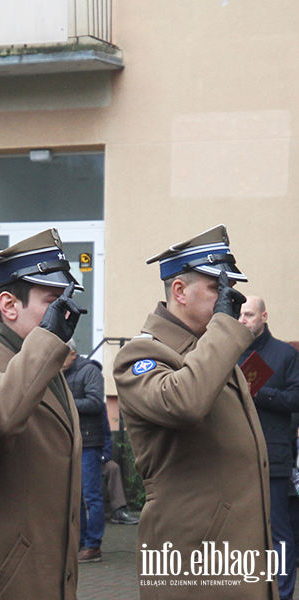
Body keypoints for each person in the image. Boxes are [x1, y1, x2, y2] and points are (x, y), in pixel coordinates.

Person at [113, 224, 275, 597]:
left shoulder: (211, 346)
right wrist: (223, 329)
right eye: (217, 288)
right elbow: (184, 403)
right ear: (179, 291)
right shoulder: (142, 353)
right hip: (192, 560)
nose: (229, 299)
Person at [0, 229, 86, 599]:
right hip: (5, 582)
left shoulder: (49, 369)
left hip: (51, 576)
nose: (66, 314)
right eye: (53, 301)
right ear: (9, 306)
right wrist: (47, 341)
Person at [239, 296, 299, 600]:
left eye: (249, 314)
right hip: (236, 457)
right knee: (242, 534)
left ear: (264, 316)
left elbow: (295, 400)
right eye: (239, 315)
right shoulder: (228, 354)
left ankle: (283, 594)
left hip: (273, 457)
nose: (243, 320)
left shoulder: (285, 354)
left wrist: (258, 392)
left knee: (279, 534)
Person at [63, 340, 107, 563]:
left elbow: (95, 403)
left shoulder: (89, 371)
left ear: (72, 354)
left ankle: (93, 546)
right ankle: (78, 541)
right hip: (69, 442)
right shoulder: (59, 372)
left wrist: (65, 402)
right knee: (75, 496)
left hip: (89, 443)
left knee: (91, 496)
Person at [100, 408, 140, 525]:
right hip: (80, 459)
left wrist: (103, 457)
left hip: (98, 458)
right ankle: (85, 512)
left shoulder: (99, 409)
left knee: (113, 468)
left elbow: (107, 437)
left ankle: (119, 510)